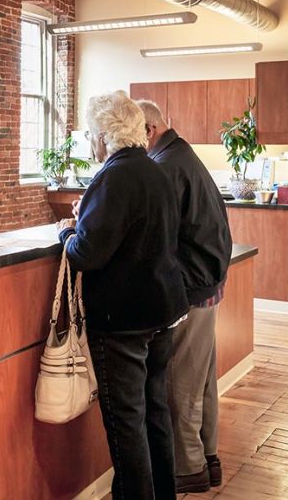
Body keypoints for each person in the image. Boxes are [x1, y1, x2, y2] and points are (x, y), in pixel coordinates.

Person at [57, 90, 188, 500]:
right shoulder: (155, 171)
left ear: (103, 135)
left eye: (91, 135)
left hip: (123, 321)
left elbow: (87, 254)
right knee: (154, 415)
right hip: (162, 311)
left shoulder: (113, 176)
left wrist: (67, 232)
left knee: (126, 425)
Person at [137, 99, 233, 493]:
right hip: (207, 285)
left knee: (179, 386)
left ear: (148, 130)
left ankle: (188, 469)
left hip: (190, 289)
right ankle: (207, 458)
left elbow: (154, 234)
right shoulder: (182, 155)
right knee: (201, 381)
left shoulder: (165, 167)